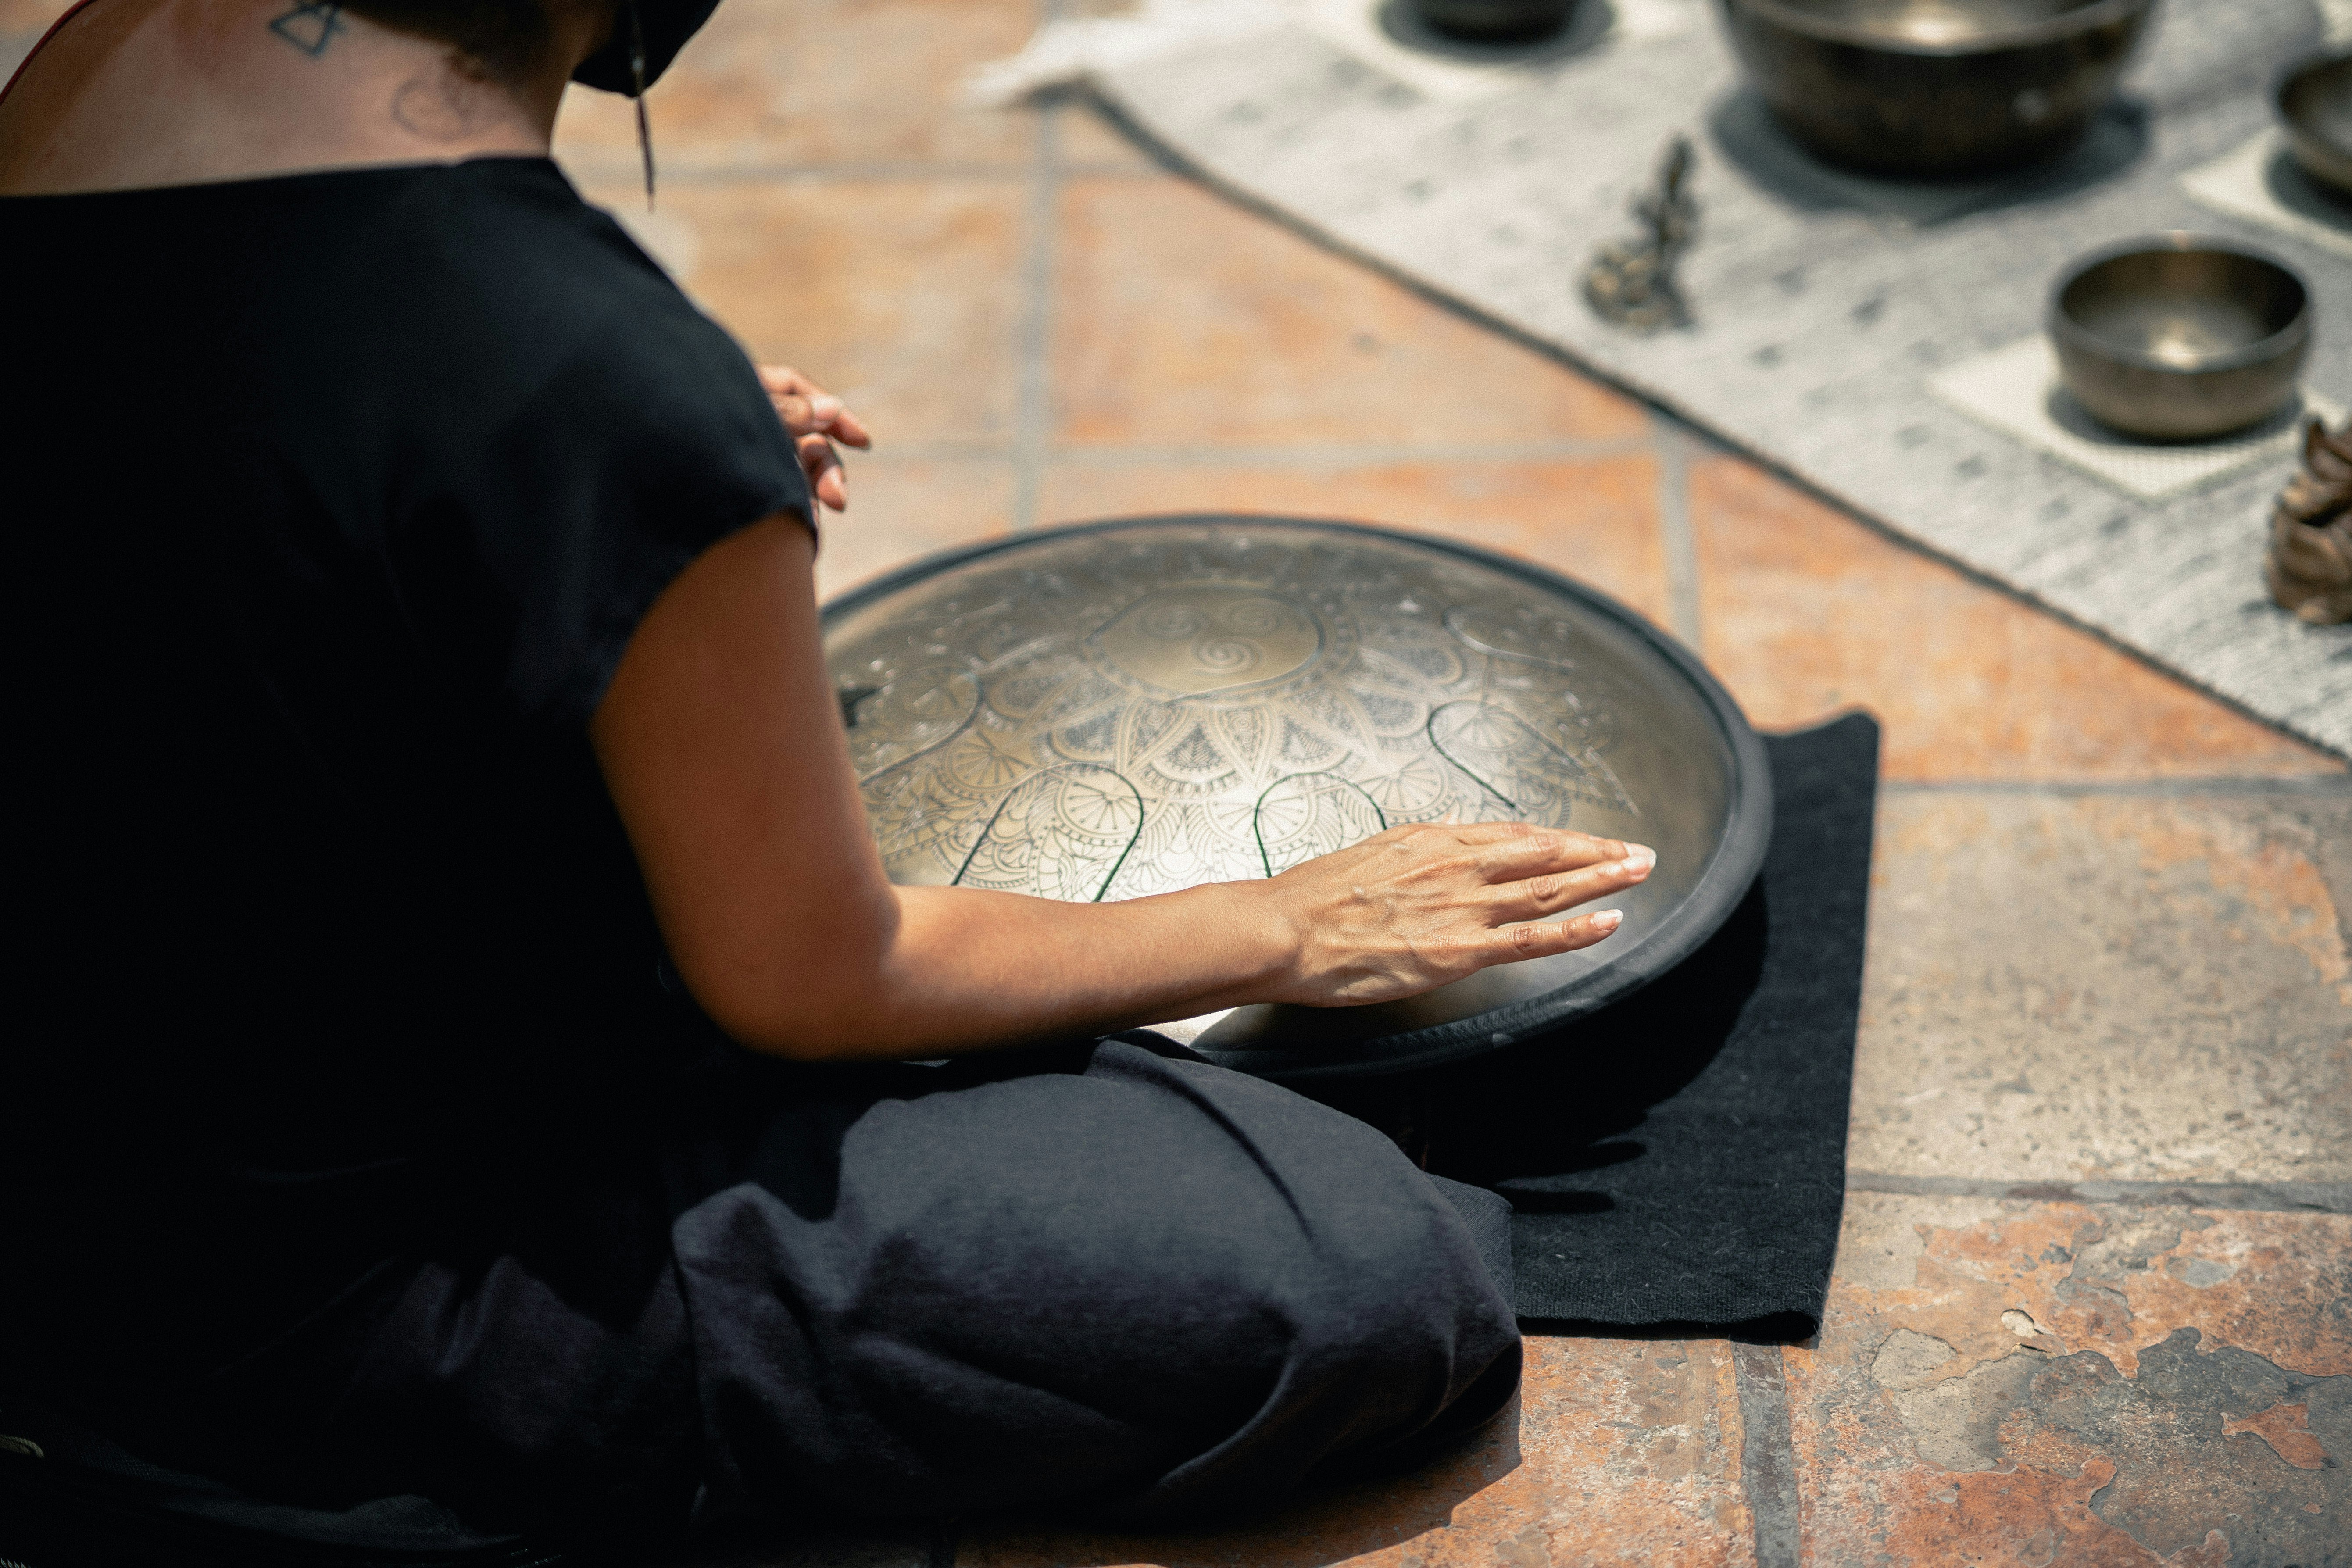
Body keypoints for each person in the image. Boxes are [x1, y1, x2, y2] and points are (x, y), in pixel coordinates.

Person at [0, 0, 1657, 1551]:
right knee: (1365, 1268)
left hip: (101, 1087)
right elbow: (817, 977)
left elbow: (271, 528)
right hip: (298, 1300)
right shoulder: (589, 374)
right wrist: (1281, 924)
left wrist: (617, 486)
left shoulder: (89, 74)